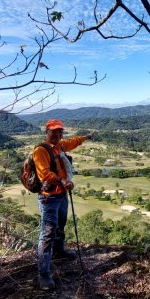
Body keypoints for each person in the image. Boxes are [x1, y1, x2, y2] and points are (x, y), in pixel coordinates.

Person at [33, 119, 93, 290]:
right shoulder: (41, 150)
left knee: (60, 226)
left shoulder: (60, 145)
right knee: (47, 233)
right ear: (47, 131)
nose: (57, 134)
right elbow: (44, 174)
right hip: (49, 198)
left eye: (60, 131)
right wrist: (63, 180)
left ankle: (59, 251)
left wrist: (87, 137)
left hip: (61, 195)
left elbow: (74, 141)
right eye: (54, 131)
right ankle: (43, 273)